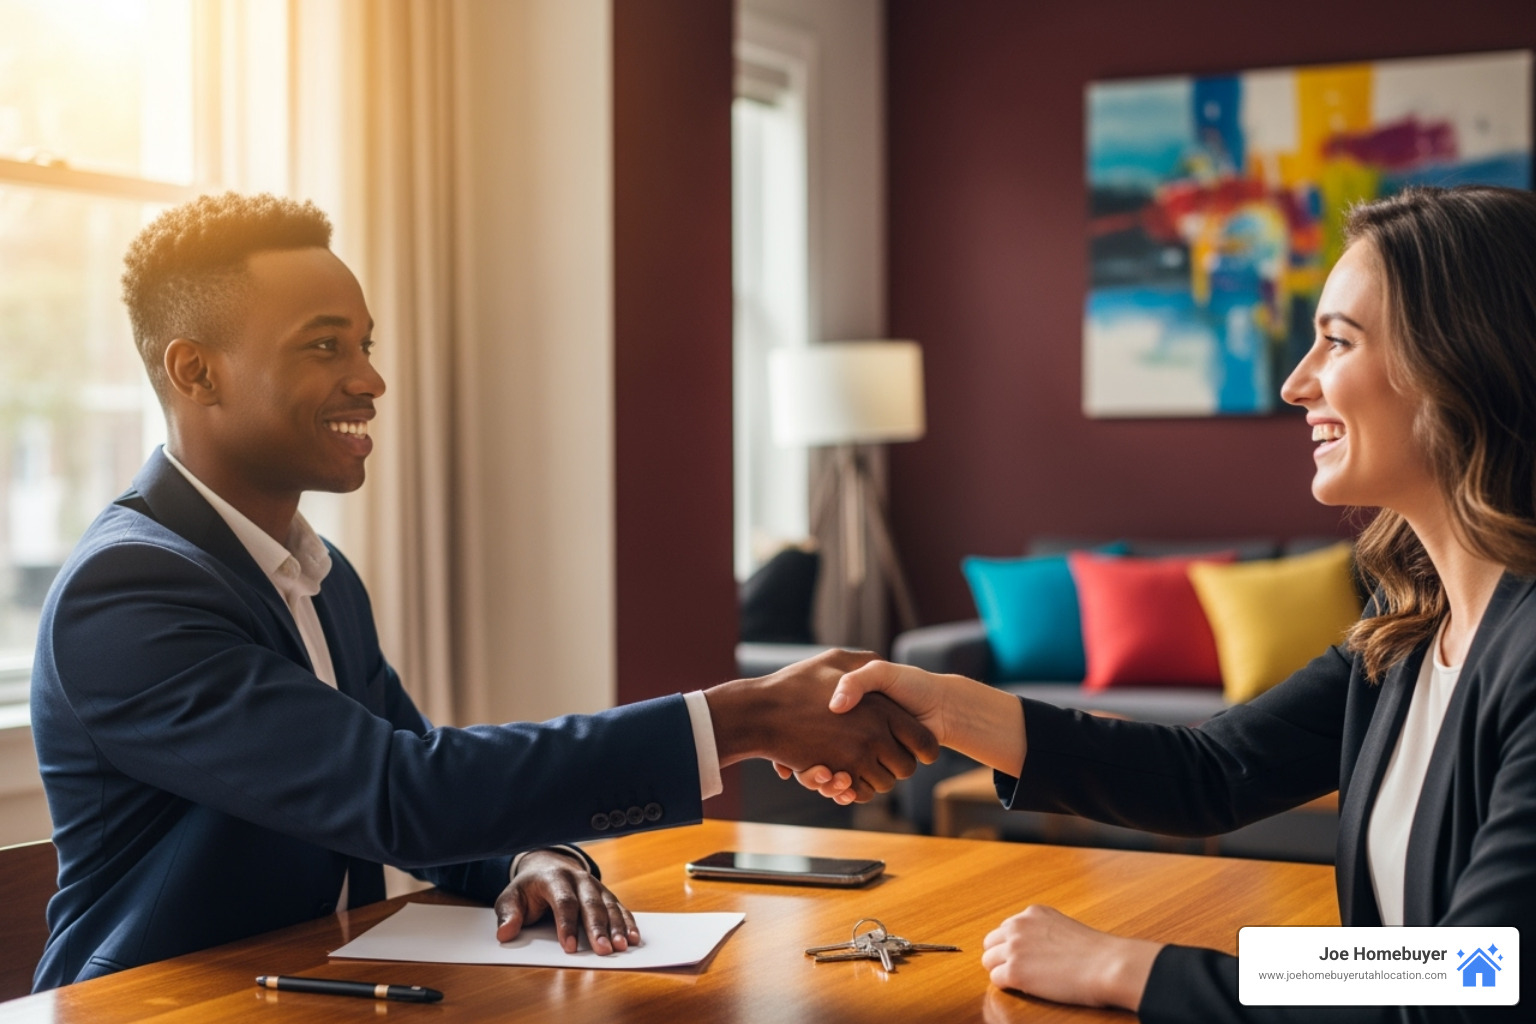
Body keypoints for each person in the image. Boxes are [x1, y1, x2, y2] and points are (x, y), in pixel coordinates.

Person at [28, 192, 938, 992]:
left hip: (311, 982)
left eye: (365, 344)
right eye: (324, 346)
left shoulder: (315, 571)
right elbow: (402, 795)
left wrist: (529, 857)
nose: (370, 379)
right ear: (197, 372)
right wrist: (739, 719)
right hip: (157, 1004)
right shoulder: (131, 590)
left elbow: (415, 773)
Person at [791, 184, 1536, 1022]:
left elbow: (1478, 977)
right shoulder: (1409, 639)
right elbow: (1211, 774)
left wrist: (1130, 968)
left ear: (1460, 363)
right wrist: (942, 709)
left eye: (1337, 342)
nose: (1297, 385)